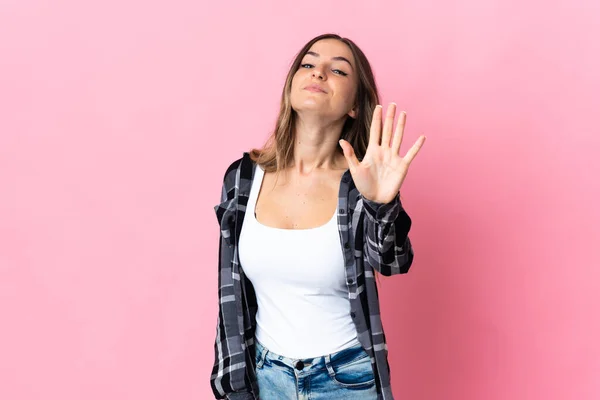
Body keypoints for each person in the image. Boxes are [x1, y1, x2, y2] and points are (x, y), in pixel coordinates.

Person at [210, 33, 426, 400]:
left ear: (355, 106)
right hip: (265, 377)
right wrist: (232, 385)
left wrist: (381, 204)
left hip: (347, 378)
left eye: (338, 70)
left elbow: (393, 262)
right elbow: (230, 294)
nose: (319, 73)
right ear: (292, 86)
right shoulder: (243, 178)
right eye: (308, 64)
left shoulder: (361, 182)